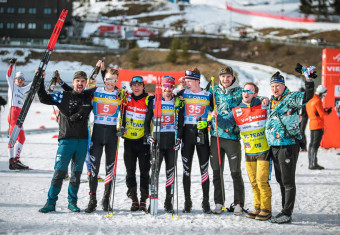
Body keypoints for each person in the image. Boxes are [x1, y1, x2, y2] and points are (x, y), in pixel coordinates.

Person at [211, 82, 272, 220]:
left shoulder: (263, 105)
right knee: (254, 182)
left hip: (263, 150)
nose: (246, 93)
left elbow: (274, 104)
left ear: (255, 94)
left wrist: (266, 100)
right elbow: (225, 123)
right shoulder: (237, 110)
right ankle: (258, 207)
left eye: (250, 91)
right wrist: (217, 116)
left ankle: (266, 209)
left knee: (262, 181)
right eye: (244, 91)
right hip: (249, 151)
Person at [37, 71, 93, 213]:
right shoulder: (63, 95)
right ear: (73, 82)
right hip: (66, 140)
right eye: (77, 81)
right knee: (59, 172)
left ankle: (72, 202)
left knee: (76, 174)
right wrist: (40, 80)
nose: (80, 83)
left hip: (82, 141)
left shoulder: (88, 97)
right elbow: (43, 98)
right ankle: (50, 203)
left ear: (85, 83)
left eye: (82, 81)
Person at [265, 71, 314, 224]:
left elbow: (307, 97)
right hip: (274, 146)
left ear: (283, 85)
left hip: (288, 145)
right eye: (272, 86)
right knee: (280, 179)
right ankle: (284, 210)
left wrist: (309, 80)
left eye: (277, 85)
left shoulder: (291, 98)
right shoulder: (272, 101)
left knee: (288, 181)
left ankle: (287, 213)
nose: (275, 89)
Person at [84, 62, 123, 213]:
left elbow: (126, 110)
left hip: (112, 134)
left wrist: (123, 127)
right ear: (104, 79)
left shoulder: (120, 94)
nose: (110, 82)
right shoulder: (96, 91)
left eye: (114, 80)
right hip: (98, 132)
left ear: (117, 81)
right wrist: (98, 70)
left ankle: (106, 199)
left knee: (110, 169)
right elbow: (82, 91)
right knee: (94, 169)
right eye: (108, 79)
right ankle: (92, 199)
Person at [144, 76, 184, 213]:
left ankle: (168, 202)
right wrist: (148, 136)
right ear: (162, 87)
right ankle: (152, 201)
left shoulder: (177, 102)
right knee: (154, 172)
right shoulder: (154, 101)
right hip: (157, 141)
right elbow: (146, 121)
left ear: (173, 88)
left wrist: (179, 138)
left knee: (170, 173)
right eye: (165, 86)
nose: (168, 89)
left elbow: (180, 123)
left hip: (171, 141)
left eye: (170, 86)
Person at [209, 66, 244, 215]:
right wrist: (211, 112)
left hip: (232, 137)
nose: (225, 79)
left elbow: (252, 99)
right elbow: (204, 103)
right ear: (219, 78)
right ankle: (219, 202)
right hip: (215, 136)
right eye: (223, 77)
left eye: (228, 76)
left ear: (233, 77)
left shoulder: (240, 91)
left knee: (235, 172)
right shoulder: (213, 90)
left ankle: (238, 203)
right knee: (217, 172)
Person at [177, 68, 213, 214]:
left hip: (202, 133)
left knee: (204, 170)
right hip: (187, 133)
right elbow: (168, 97)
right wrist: (179, 86)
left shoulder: (208, 94)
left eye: (190, 80)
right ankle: (187, 201)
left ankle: (205, 202)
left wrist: (208, 123)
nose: (187, 83)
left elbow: (216, 113)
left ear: (197, 81)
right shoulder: (183, 94)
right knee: (186, 171)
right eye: (186, 80)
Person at [119, 76, 151, 212]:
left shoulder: (150, 99)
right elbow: (109, 87)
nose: (136, 87)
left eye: (139, 85)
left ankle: (144, 199)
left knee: (144, 172)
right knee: (130, 172)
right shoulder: (126, 98)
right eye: (134, 85)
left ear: (143, 86)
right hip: (129, 141)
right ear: (131, 86)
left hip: (143, 141)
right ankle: (134, 198)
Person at [6, 58, 32, 170]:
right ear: (15, 79)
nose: (20, 81)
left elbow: (31, 86)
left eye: (22, 79)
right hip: (13, 113)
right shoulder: (13, 86)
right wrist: (11, 65)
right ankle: (11, 160)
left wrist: (39, 76)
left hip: (19, 114)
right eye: (19, 79)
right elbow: (8, 76)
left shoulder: (22, 90)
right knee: (13, 137)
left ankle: (16, 159)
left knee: (21, 138)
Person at [306, 85, 332, 170]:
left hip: (312, 124)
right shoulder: (318, 101)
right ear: (321, 93)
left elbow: (314, 111)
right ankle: (313, 164)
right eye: (324, 95)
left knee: (311, 144)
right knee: (315, 145)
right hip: (318, 124)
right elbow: (322, 114)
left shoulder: (310, 100)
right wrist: (328, 112)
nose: (323, 96)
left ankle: (311, 162)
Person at [299, 87, 308, 152]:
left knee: (302, 131)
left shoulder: (306, 100)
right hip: (299, 116)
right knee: (298, 131)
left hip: (304, 116)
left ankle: (304, 147)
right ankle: (300, 146)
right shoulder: (298, 99)